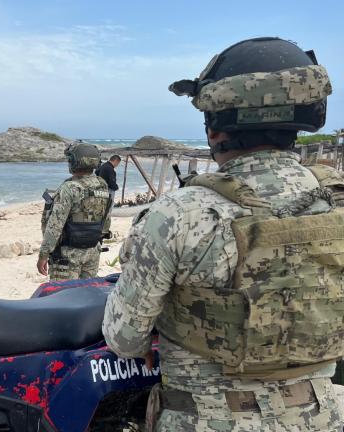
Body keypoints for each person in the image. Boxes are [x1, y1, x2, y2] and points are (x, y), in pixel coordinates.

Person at [102, 37, 344, 431]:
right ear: (309, 115)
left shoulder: (177, 215)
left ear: (215, 129)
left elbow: (125, 337)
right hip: (322, 417)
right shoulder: (336, 202)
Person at [37, 142, 111, 280]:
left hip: (67, 255)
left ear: (74, 161)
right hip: (92, 251)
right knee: (86, 295)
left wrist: (44, 254)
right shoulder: (102, 184)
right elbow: (105, 220)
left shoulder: (69, 188)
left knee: (63, 297)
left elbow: (55, 225)